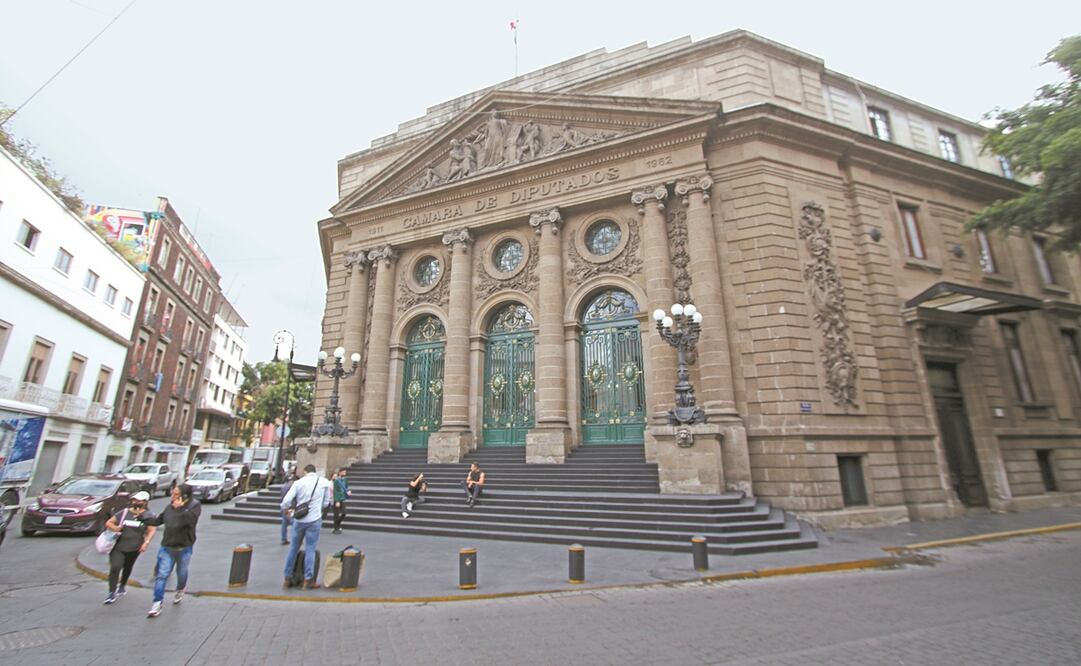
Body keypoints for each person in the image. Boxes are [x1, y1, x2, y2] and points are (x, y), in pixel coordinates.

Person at [145, 484, 201, 618]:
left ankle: (180, 589)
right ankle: (157, 603)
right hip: (167, 546)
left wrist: (181, 509)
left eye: (176, 494)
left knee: (181, 572)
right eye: (173, 493)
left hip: (184, 547)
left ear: (184, 496)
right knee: (162, 574)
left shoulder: (194, 506)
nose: (173, 496)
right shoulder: (169, 507)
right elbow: (159, 520)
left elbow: (192, 521)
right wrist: (142, 517)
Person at [280, 464, 332, 589]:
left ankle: (287, 578)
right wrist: (316, 509)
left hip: (299, 519)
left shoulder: (299, 483)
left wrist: (286, 511)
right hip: (314, 519)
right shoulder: (324, 482)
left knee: (293, 548)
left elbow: (286, 501)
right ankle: (308, 579)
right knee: (311, 549)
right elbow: (326, 503)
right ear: (315, 472)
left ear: (305, 472)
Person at [103, 491, 156, 605]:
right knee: (115, 567)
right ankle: (111, 592)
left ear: (145, 502)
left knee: (128, 566)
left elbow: (151, 530)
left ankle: (122, 585)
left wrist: (146, 542)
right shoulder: (124, 513)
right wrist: (116, 528)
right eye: (135, 500)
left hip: (135, 547)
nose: (136, 502)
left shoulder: (148, 516)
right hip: (118, 546)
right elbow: (109, 523)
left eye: (139, 500)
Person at [279, 469, 298, 545]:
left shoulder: (283, 486)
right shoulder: (293, 487)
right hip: (290, 507)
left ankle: (283, 538)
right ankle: (295, 539)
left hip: (283, 507)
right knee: (293, 523)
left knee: (284, 524)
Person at [331, 467, 351, 534]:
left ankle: (338, 524)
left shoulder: (345, 480)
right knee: (336, 515)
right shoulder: (336, 481)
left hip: (342, 499)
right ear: (340, 472)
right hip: (337, 499)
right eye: (343, 472)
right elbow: (335, 491)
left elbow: (346, 487)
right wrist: (337, 501)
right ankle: (336, 528)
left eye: (345, 472)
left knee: (344, 512)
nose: (344, 473)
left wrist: (348, 491)